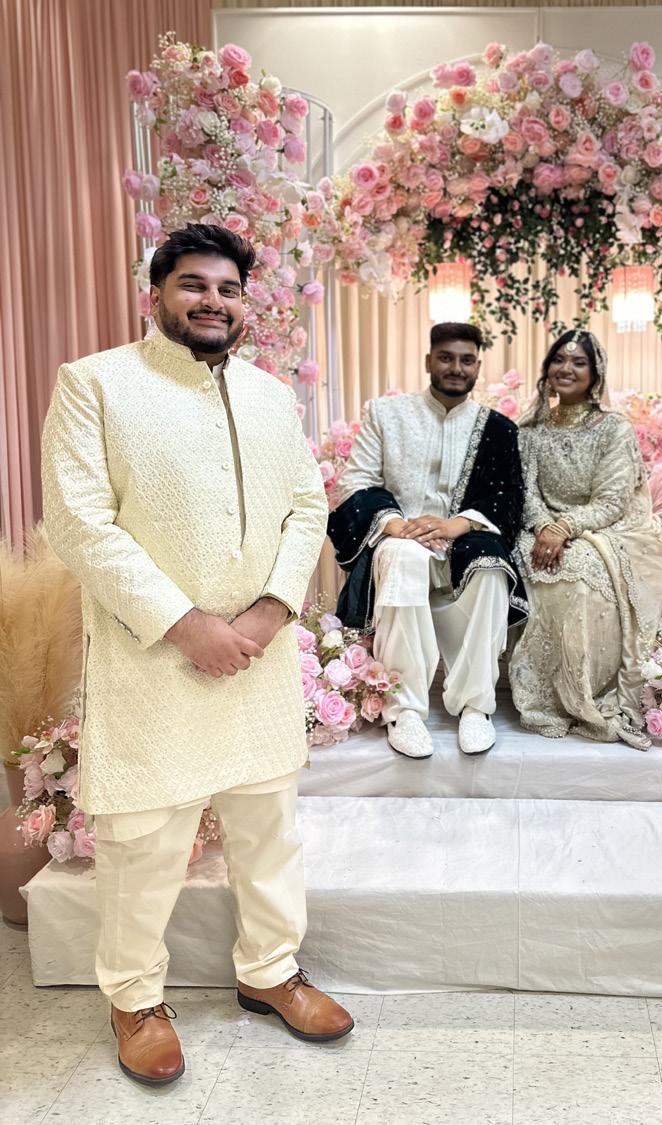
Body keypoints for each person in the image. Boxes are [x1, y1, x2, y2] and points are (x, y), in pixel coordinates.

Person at [41, 224, 353, 1087]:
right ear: (156, 295)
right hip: (153, 659)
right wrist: (187, 625)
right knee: (143, 842)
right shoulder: (95, 383)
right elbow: (79, 524)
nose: (212, 300)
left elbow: (306, 506)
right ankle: (135, 998)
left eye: (227, 288)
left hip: (257, 652)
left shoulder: (269, 395)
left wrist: (271, 608)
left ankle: (271, 971)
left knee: (268, 828)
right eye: (193, 284)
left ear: (245, 303)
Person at [327, 322, 526, 759]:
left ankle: (476, 705)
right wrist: (394, 524)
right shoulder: (387, 414)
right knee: (404, 559)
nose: (456, 368)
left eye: (467, 360)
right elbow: (355, 482)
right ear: (428, 361)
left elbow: (509, 498)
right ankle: (404, 709)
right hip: (401, 533)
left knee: (491, 568)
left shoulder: (498, 429)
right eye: (446, 358)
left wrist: (458, 524)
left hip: (462, 537)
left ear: (478, 366)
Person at [508, 330, 662, 751]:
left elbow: (612, 501)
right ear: (547, 369)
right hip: (539, 530)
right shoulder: (530, 431)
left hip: (606, 529)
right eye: (559, 360)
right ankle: (548, 697)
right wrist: (544, 527)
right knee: (539, 563)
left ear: (595, 374)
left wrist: (565, 528)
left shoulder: (613, 428)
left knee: (578, 570)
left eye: (579, 362)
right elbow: (525, 494)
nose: (567, 369)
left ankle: (584, 694)